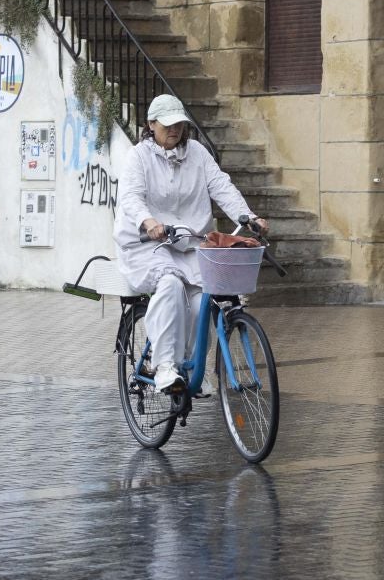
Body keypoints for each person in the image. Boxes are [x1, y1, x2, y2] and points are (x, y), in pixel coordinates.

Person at [113, 94, 268, 393]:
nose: (175, 130)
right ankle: (165, 367)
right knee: (170, 284)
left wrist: (248, 216)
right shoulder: (139, 156)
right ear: (151, 124)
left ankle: (191, 365)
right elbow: (131, 197)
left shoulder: (196, 153)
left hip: (189, 244)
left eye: (180, 124)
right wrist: (149, 222)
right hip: (148, 244)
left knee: (202, 301)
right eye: (168, 124)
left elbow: (221, 186)